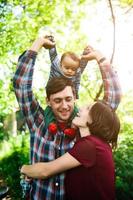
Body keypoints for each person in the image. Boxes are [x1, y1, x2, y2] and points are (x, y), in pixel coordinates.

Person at [13, 35, 121, 199]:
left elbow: (113, 99)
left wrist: (99, 57)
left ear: (75, 98)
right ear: (47, 101)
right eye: (57, 100)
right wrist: (38, 43)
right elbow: (21, 85)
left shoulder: (85, 130)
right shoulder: (37, 121)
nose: (64, 106)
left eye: (68, 99)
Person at [21, 100, 120, 200]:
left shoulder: (90, 146)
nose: (81, 108)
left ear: (95, 119)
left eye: (88, 108)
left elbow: (45, 171)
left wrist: (23, 169)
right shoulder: (94, 144)